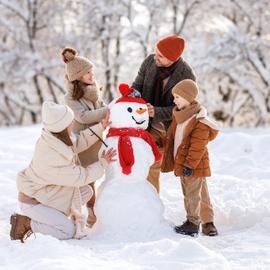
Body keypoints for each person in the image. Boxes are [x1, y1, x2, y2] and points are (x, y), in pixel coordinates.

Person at [10, 101, 116, 242]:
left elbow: (78, 142)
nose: (73, 123)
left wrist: (100, 127)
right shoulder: (51, 160)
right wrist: (102, 163)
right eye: (71, 121)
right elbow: (81, 176)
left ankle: (56, 218)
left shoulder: (55, 138)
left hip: (47, 194)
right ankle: (26, 223)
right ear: (63, 126)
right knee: (67, 231)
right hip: (33, 202)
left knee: (86, 192)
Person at [132, 34, 196, 193]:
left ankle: (201, 214)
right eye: (156, 51)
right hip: (149, 126)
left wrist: (157, 112)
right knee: (149, 162)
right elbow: (137, 87)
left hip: (173, 129)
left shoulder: (186, 76)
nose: (156, 57)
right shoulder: (149, 61)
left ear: (173, 58)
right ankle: (150, 204)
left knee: (192, 173)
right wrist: (129, 98)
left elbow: (185, 110)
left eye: (160, 55)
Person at [161, 79, 219, 236]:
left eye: (178, 97)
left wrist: (189, 165)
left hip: (193, 165)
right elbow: (174, 137)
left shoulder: (199, 121)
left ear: (188, 97)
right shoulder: (179, 116)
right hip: (185, 164)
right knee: (193, 193)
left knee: (192, 194)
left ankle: (193, 223)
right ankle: (195, 220)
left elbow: (197, 147)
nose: (174, 100)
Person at [62, 47, 108, 226]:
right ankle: (88, 215)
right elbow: (83, 116)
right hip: (83, 142)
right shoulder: (71, 97)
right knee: (87, 180)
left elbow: (101, 106)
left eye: (91, 71)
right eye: (87, 72)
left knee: (94, 178)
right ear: (77, 76)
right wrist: (106, 112)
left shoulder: (93, 90)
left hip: (97, 139)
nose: (91, 75)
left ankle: (92, 214)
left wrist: (107, 110)